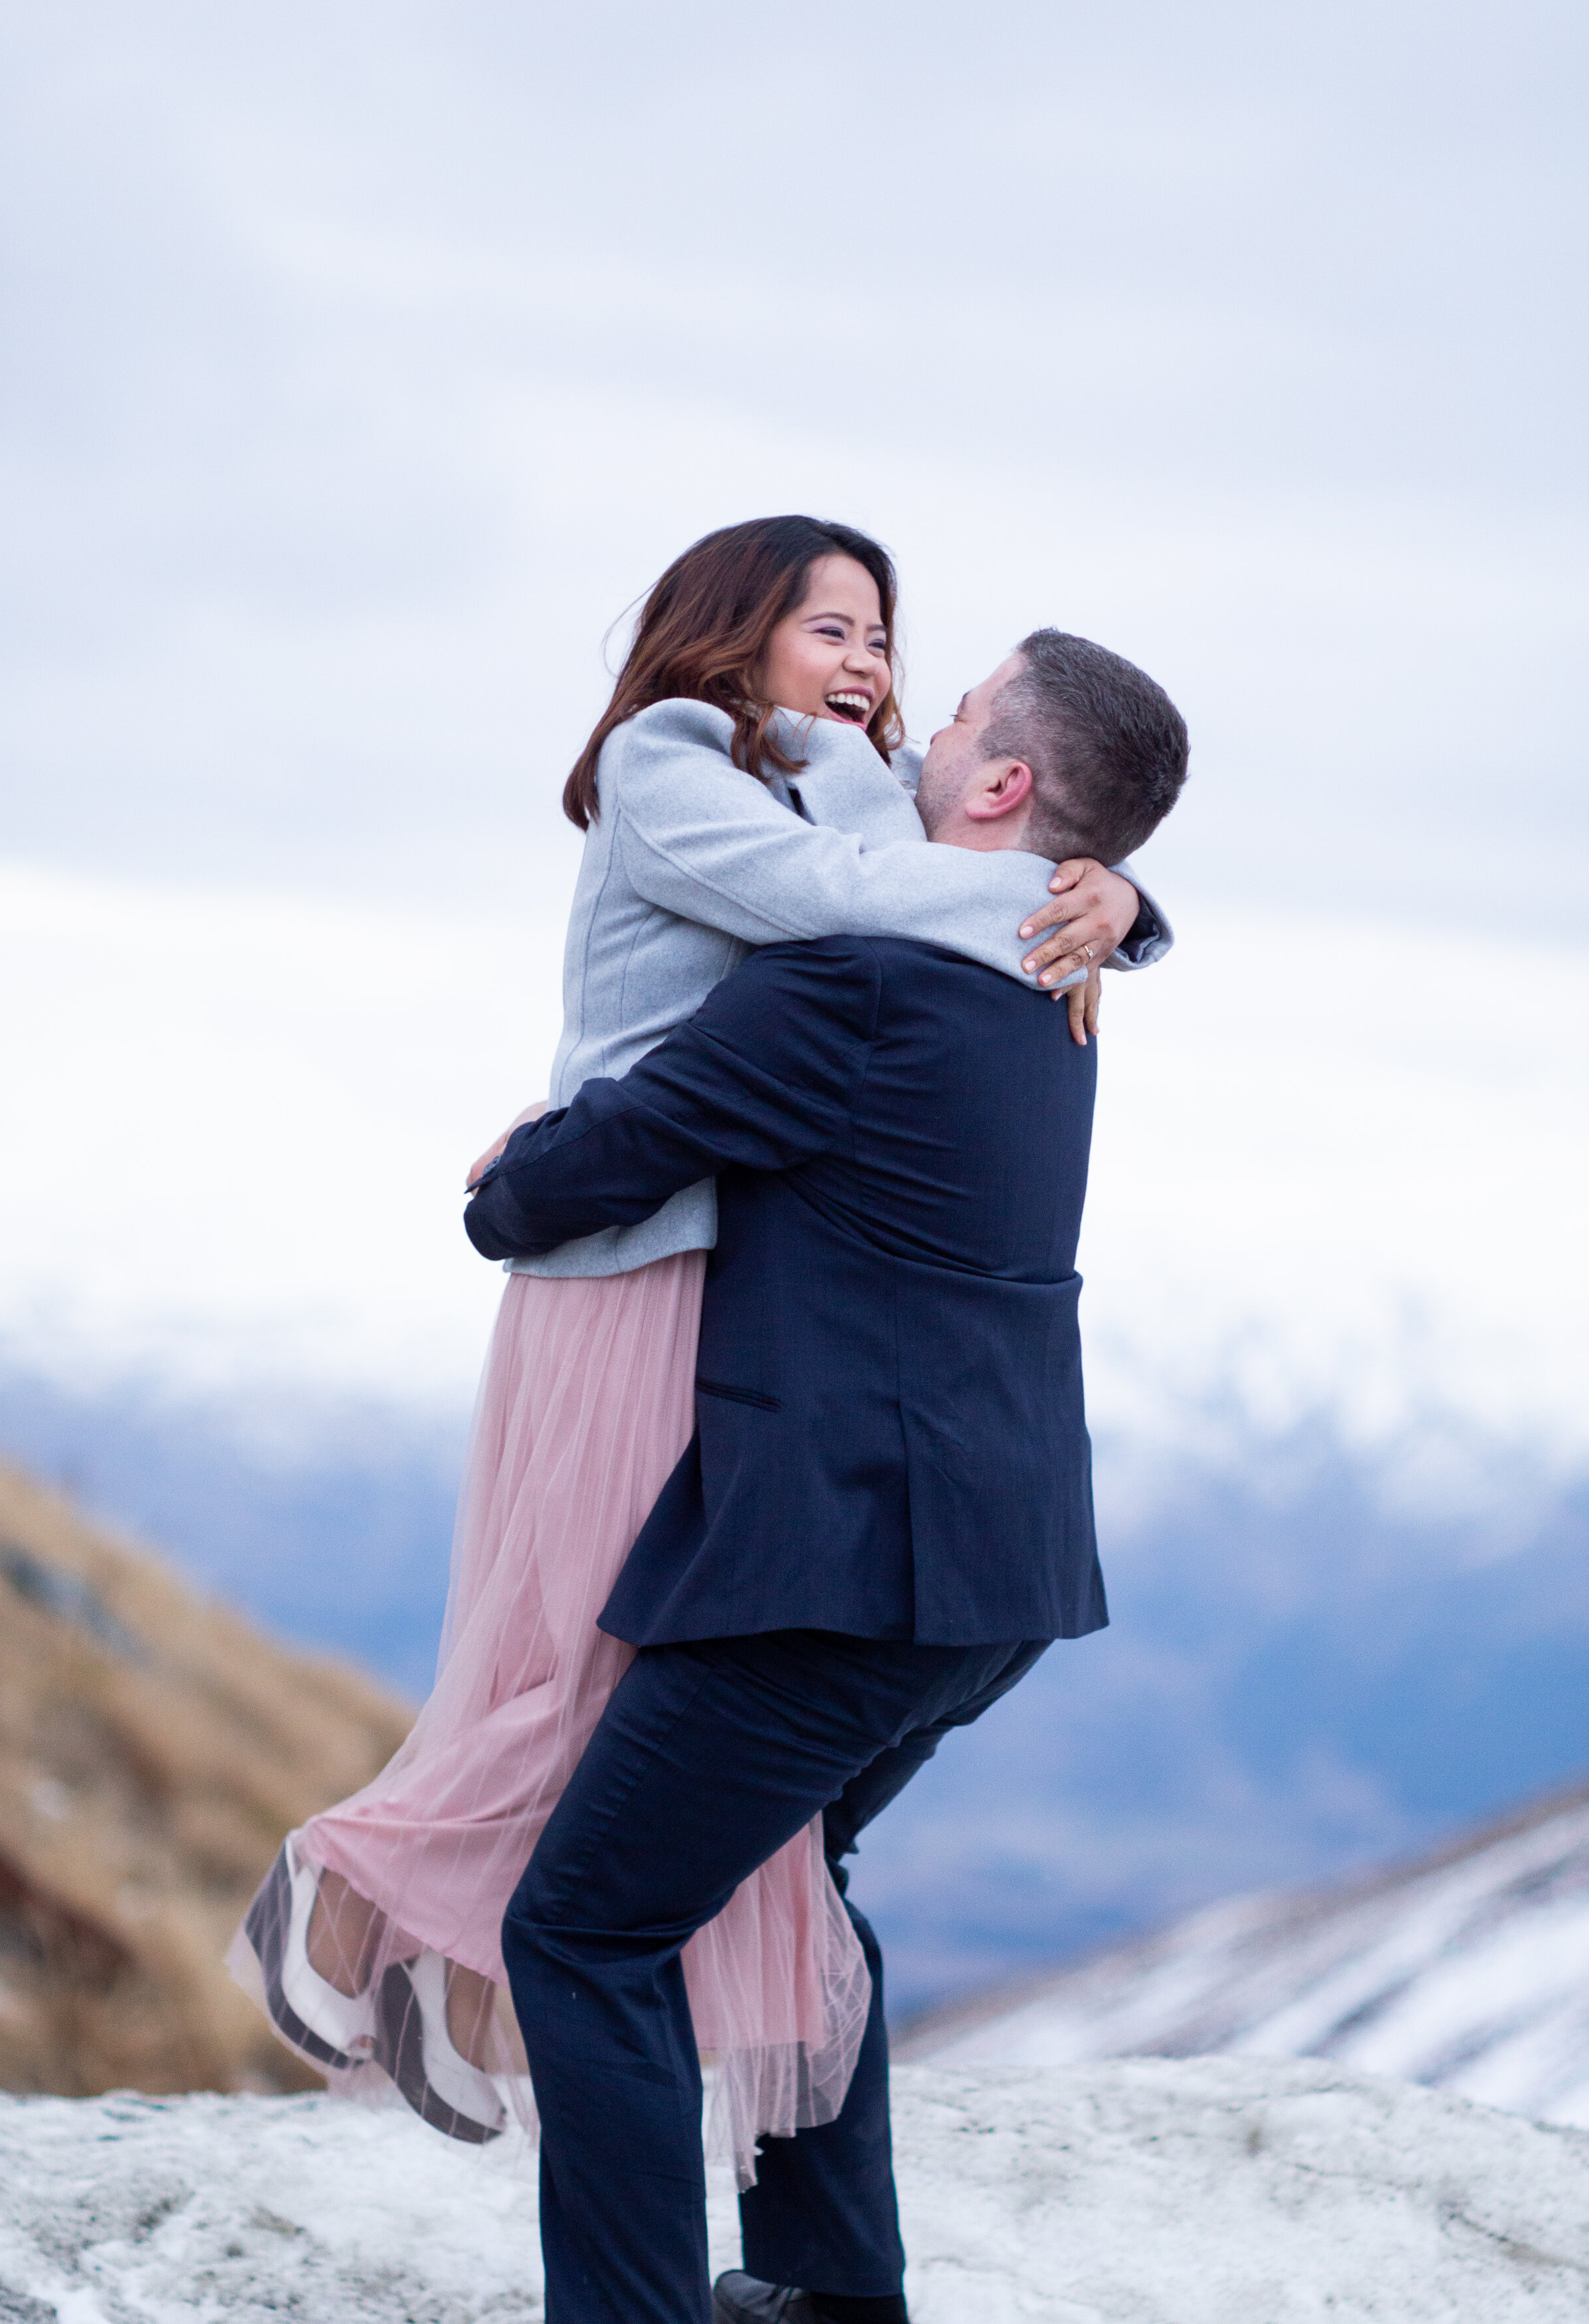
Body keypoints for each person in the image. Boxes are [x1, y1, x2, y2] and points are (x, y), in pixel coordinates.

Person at [228, 519, 1169, 2171]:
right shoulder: (688, 766)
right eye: (839, 631)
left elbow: (918, 863)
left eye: (901, 649)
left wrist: (1120, 893)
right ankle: (401, 1894)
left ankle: (498, 1984)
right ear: (733, 632)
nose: (885, 680)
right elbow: (829, 903)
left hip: (722, 1296)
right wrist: (1081, 896)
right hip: (626, 1252)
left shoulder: (885, 835)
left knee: (669, 1785)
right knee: (575, 1665)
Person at [465, 626, 1190, 2324]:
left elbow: (590, 1172)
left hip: (840, 1568)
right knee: (797, 1881)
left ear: (999, 784)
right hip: (993, 1575)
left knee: (585, 1931)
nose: (917, 724)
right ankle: (836, 2294)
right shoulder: (1048, 982)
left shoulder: (858, 980)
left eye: (950, 716)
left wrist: (507, 1171)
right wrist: (1136, 916)